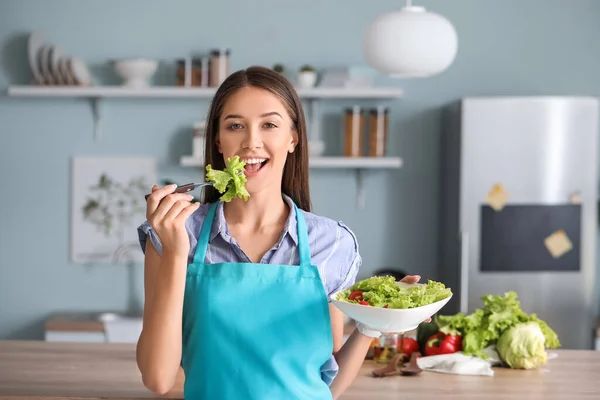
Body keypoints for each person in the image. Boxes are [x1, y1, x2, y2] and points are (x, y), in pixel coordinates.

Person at [135, 65, 423, 399]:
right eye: (235, 126)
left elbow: (326, 379)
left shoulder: (331, 243)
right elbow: (157, 379)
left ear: (293, 138)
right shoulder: (174, 232)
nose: (251, 142)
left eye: (269, 125)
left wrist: (374, 324)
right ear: (217, 139)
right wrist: (174, 252)